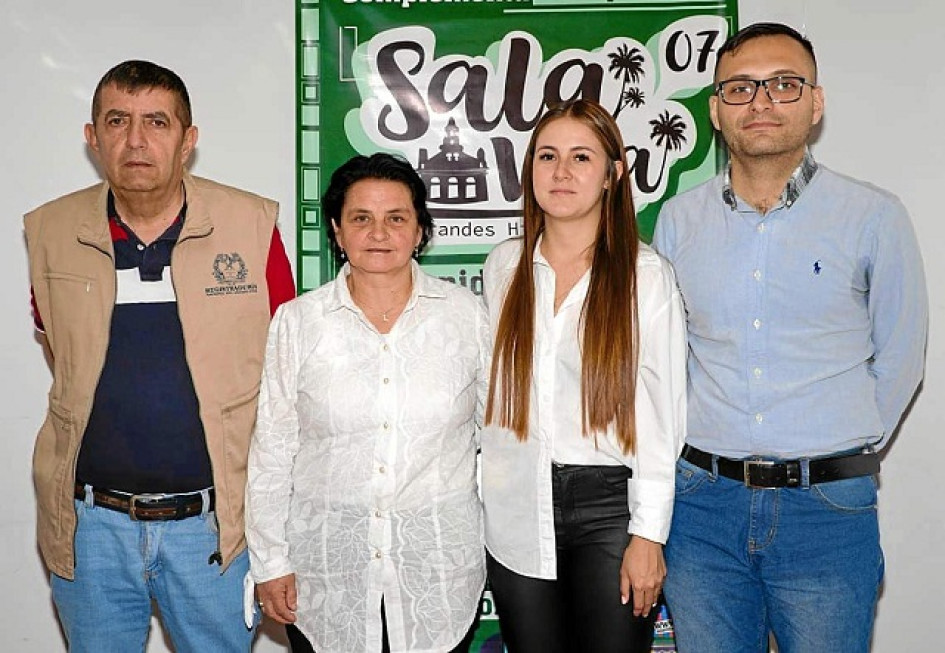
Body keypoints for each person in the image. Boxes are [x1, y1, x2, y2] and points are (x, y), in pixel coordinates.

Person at [652, 22, 928, 652]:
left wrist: (835, 455)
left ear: (815, 102)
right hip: (701, 508)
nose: (762, 102)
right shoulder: (679, 221)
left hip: (827, 511)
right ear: (717, 111)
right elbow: (665, 361)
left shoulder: (874, 217)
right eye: (741, 88)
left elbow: (902, 358)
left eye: (783, 84)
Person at [23, 60, 295, 652]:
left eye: (157, 122)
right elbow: (57, 344)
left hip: (216, 530)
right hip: (90, 529)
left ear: (188, 139)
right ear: (92, 137)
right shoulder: (50, 231)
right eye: (117, 121)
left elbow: (285, 361)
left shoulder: (251, 226)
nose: (137, 140)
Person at [245, 153, 488, 653]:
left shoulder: (467, 317)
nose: (379, 233)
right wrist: (270, 561)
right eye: (361, 218)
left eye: (396, 218)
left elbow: (501, 441)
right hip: (327, 574)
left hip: (438, 574)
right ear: (336, 230)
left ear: (420, 230)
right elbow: (271, 453)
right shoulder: (298, 323)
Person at [481, 99, 687, 653]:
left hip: (608, 510)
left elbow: (663, 419)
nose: (562, 171)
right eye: (547, 156)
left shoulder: (646, 276)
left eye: (580, 157)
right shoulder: (503, 267)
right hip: (516, 502)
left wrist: (648, 534)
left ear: (612, 175)